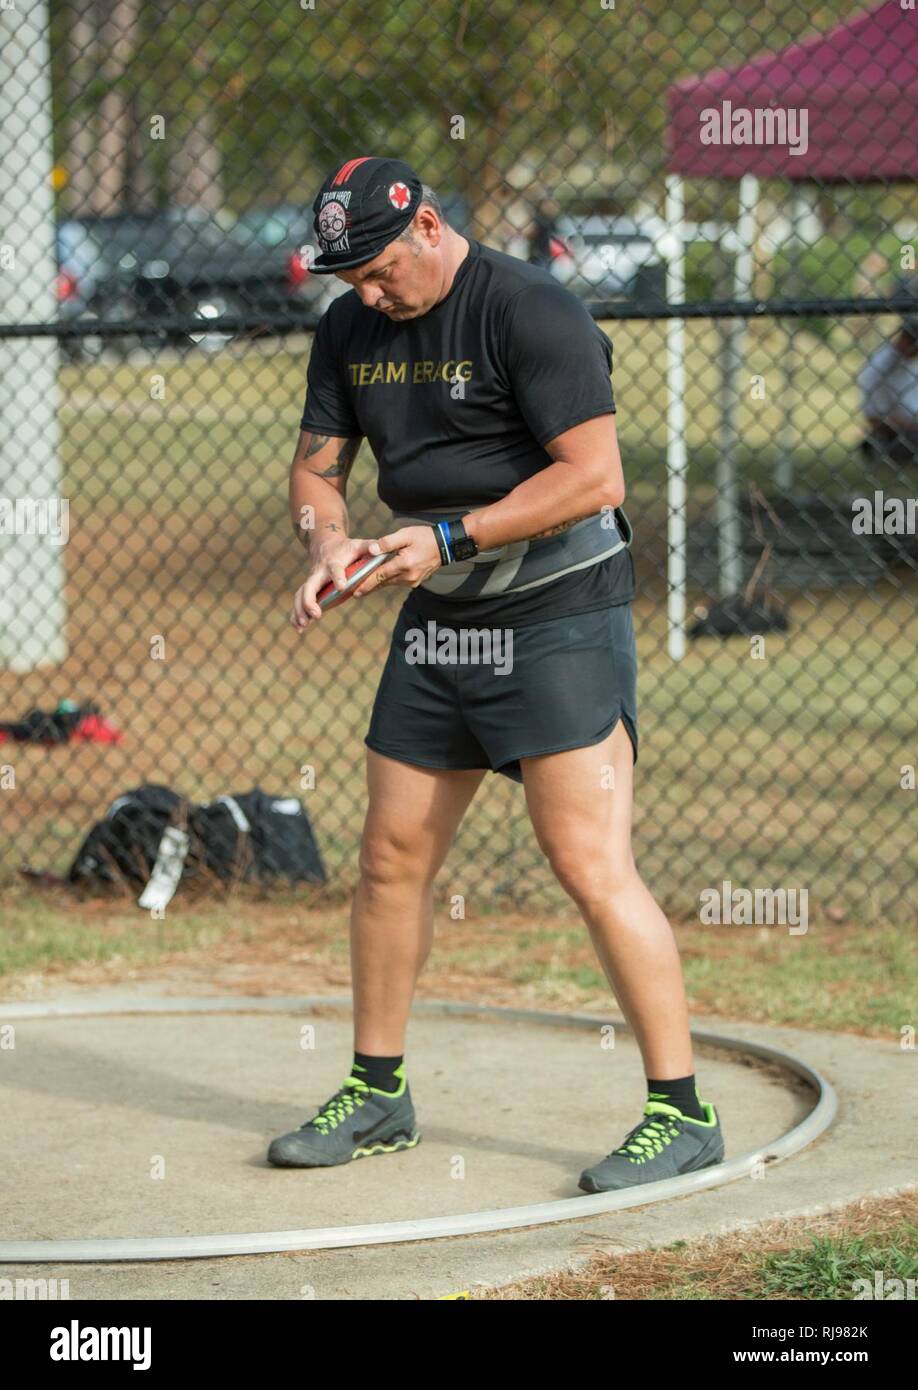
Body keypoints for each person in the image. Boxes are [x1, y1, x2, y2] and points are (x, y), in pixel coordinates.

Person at [270, 155, 724, 1193]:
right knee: (389, 855)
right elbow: (316, 467)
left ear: (428, 224)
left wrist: (450, 536)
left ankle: (681, 1109)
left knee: (586, 860)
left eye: (381, 272)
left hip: (560, 610)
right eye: (351, 282)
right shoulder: (350, 331)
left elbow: (594, 477)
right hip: (442, 617)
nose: (369, 296)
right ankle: (378, 1092)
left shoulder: (530, 308)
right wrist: (328, 540)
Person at [858, 313, 918, 468]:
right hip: (896, 435)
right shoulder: (880, 368)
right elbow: (876, 419)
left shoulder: (906, 362)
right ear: (907, 341)